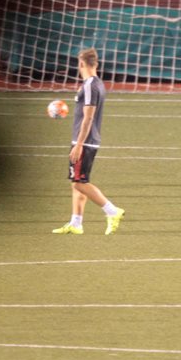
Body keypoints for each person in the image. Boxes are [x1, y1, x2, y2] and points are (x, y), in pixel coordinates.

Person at [51, 48, 125, 236]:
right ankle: (76, 223)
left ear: (81, 64)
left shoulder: (91, 86)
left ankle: (112, 211)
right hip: (85, 139)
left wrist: (79, 144)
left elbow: (88, 117)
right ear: (96, 64)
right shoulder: (94, 84)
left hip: (85, 141)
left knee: (78, 182)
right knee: (77, 180)